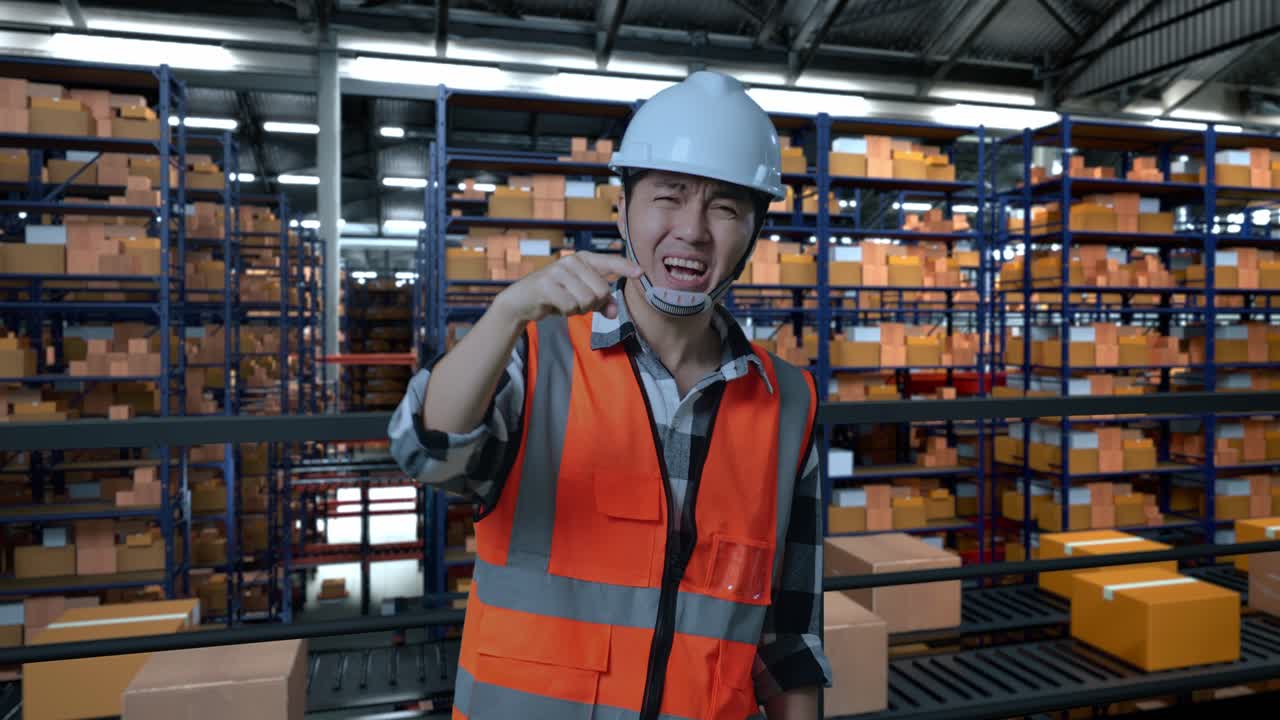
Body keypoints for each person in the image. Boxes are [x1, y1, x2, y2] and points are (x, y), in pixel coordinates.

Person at [389, 70, 830, 720]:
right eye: (668, 197)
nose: (693, 229)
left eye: (726, 208)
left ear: (753, 235)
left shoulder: (788, 403)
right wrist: (508, 312)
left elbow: (790, 640)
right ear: (620, 209)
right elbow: (424, 454)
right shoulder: (535, 358)